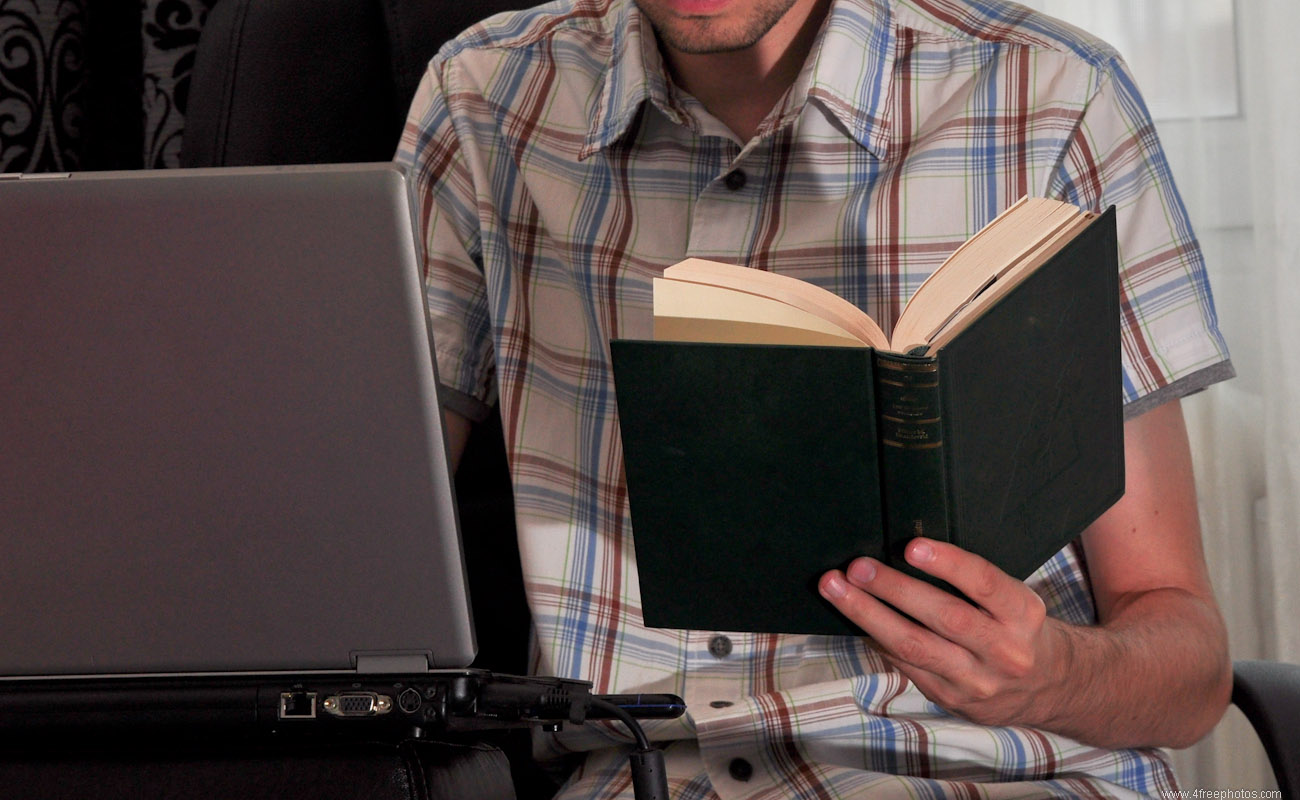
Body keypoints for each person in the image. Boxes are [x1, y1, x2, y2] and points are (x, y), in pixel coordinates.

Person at [395, 0, 1236, 795]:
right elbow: (353, 557)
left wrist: (1050, 675)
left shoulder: (1053, 97)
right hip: (644, 776)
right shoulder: (485, 97)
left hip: (987, 776)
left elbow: (1189, 675)